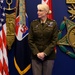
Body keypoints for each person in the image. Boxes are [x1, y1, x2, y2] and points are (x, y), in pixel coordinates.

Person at [28, 3, 58, 75]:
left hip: (49, 55)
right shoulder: (34, 23)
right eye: (38, 10)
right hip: (36, 55)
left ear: (46, 12)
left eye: (40, 10)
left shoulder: (53, 24)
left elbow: (54, 40)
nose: (38, 12)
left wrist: (44, 53)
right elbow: (30, 40)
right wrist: (37, 53)